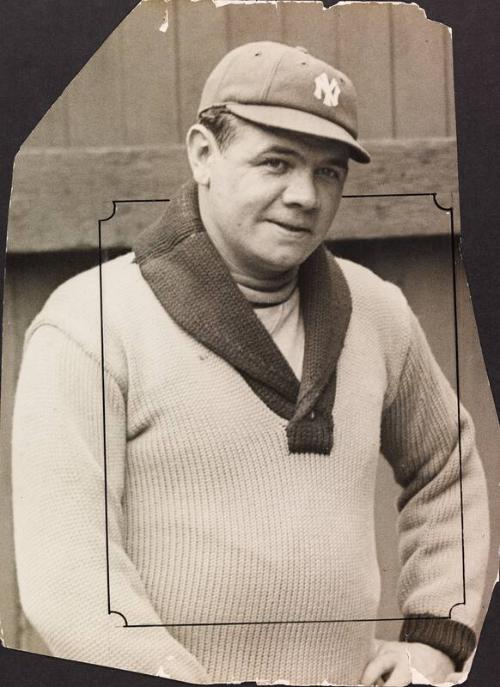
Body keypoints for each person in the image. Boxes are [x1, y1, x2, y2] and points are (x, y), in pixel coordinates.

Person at [12, 41, 489, 685]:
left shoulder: (379, 313)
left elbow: (446, 468)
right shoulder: (91, 324)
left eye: (328, 172)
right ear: (203, 155)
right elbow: (69, 577)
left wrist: (434, 639)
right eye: (276, 162)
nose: (305, 195)